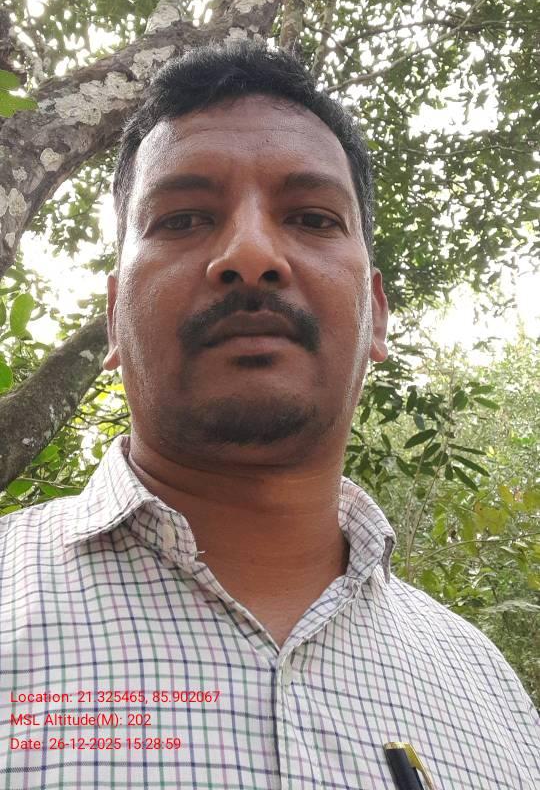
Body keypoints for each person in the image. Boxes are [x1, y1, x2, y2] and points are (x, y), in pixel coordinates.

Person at [0, 41, 538, 790]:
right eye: (184, 218)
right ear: (115, 316)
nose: (250, 254)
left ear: (376, 314)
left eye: (312, 218)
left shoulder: (491, 692)